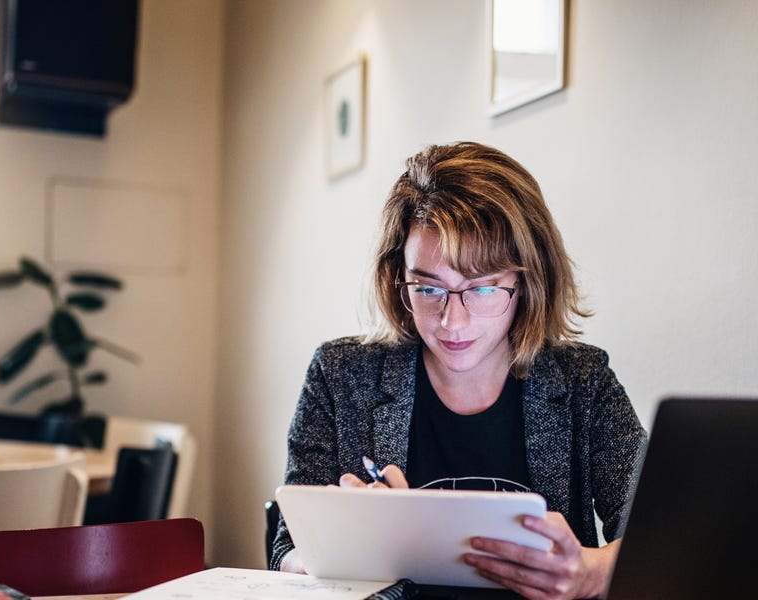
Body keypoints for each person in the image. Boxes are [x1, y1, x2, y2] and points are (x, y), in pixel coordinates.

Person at [271, 141, 646, 600]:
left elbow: (666, 541)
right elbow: (286, 549)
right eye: (428, 289)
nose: (453, 322)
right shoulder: (342, 374)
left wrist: (589, 571)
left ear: (526, 281)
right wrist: (346, 549)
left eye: (482, 289)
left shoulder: (582, 382)